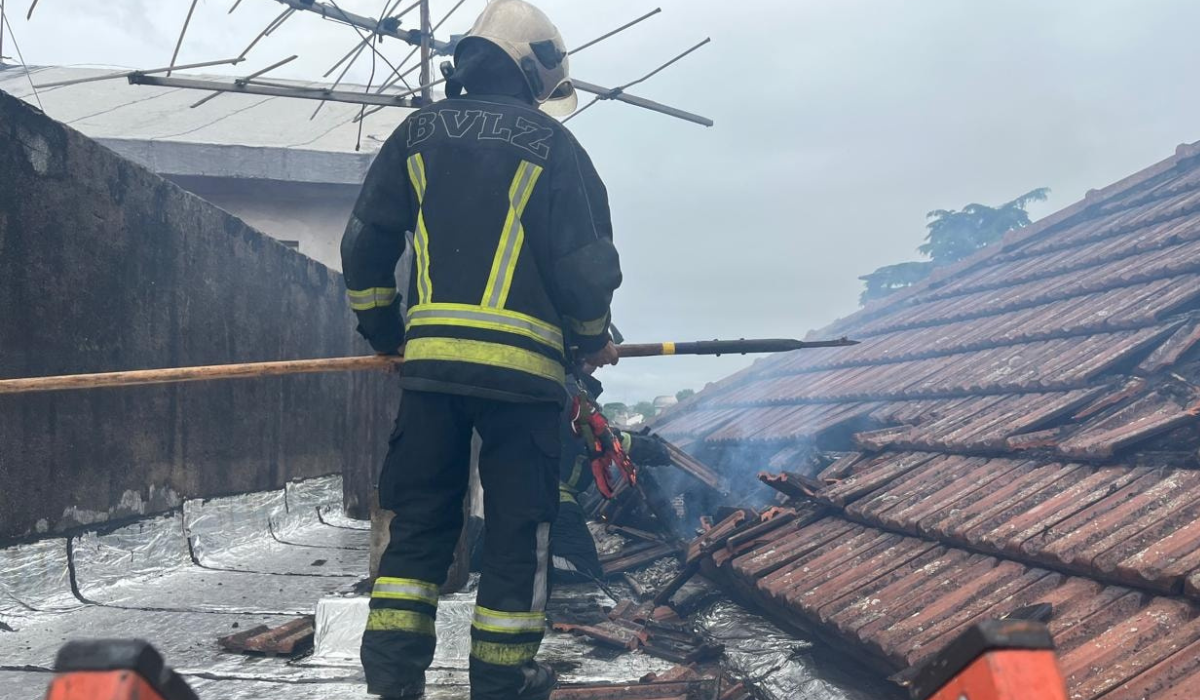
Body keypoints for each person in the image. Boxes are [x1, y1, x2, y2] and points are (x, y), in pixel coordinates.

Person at [339, 1, 621, 698]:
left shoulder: (415, 134)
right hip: (524, 387)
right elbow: (585, 271)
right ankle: (503, 682)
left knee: (419, 532)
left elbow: (364, 247)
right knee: (517, 535)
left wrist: (388, 335)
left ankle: (392, 683)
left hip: (431, 378)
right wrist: (590, 341)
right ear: (533, 72)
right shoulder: (555, 146)